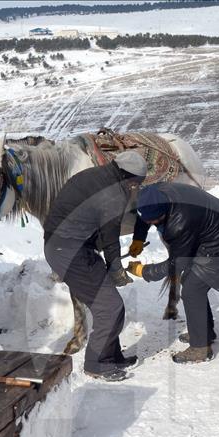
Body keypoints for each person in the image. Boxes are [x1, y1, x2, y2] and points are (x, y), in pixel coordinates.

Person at [43, 150, 149, 382]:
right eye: (136, 183)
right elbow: (110, 234)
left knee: (110, 303)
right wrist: (116, 268)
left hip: (68, 245)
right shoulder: (113, 193)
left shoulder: (96, 175)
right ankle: (96, 364)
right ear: (129, 177)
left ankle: (112, 356)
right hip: (69, 250)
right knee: (109, 306)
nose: (135, 188)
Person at [126, 183, 219, 364]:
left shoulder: (180, 222)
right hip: (209, 227)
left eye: (154, 222)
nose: (150, 224)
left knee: (192, 289)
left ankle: (200, 349)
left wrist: (144, 271)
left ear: (163, 214)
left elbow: (176, 263)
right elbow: (144, 216)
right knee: (191, 284)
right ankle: (204, 332)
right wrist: (139, 238)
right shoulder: (152, 195)